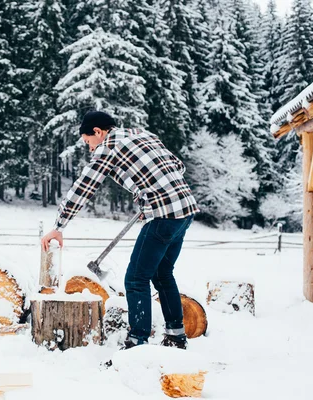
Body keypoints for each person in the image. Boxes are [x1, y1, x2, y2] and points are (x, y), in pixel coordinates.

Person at [41, 111, 199, 349]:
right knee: (162, 274)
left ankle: (137, 341)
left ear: (98, 132)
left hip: (163, 215)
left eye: (88, 141)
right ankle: (176, 335)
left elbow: (84, 187)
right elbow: (177, 166)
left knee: (136, 278)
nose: (89, 148)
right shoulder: (141, 134)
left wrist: (59, 226)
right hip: (185, 210)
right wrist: (147, 192)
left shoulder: (108, 147)